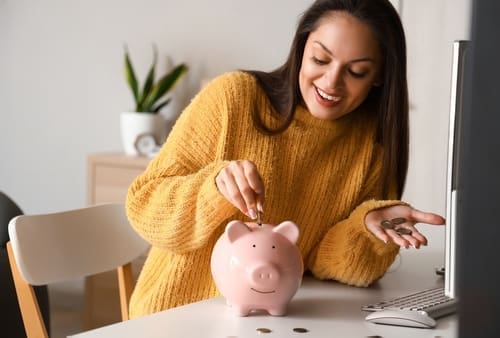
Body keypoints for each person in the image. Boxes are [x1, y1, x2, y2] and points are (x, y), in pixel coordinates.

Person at [125, 0, 445, 319]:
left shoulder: (371, 142)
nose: (331, 82)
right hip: (173, 318)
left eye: (356, 71)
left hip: (273, 325)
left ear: (379, 75)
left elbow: (332, 266)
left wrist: (366, 228)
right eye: (321, 59)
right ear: (302, 47)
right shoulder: (233, 98)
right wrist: (212, 189)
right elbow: (143, 207)